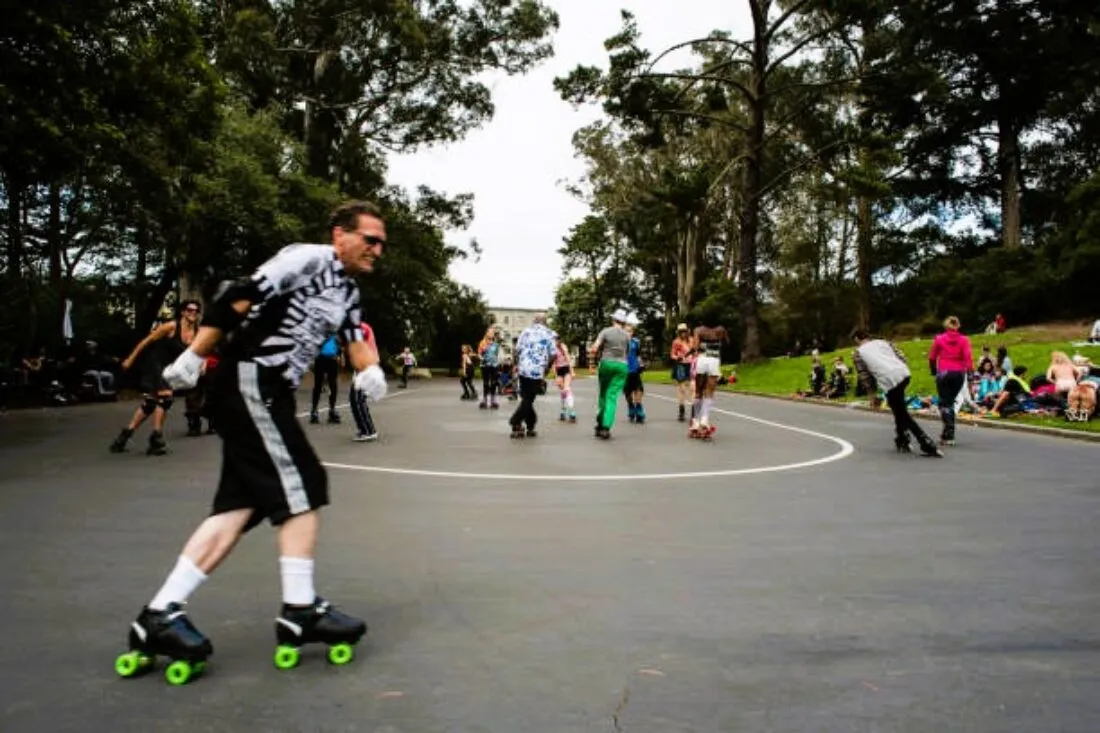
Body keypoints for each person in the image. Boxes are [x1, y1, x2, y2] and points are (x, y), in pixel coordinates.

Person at [114, 201, 389, 683]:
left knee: (236, 509)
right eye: (369, 239)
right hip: (250, 378)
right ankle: (300, 610)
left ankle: (157, 615)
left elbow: (353, 340)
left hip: (271, 389)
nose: (377, 249)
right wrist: (195, 356)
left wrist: (372, 371)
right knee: (302, 484)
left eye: (382, 242)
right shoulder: (305, 259)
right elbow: (237, 297)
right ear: (339, 234)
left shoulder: (348, 290)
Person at [110, 300, 202, 456]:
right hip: (156, 365)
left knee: (150, 403)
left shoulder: (197, 332)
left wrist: (201, 366)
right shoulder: (171, 327)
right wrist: (130, 359)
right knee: (165, 398)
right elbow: (146, 341)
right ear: (182, 312)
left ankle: (124, 436)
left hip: (171, 369)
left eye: (196, 311)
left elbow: (197, 353)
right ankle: (156, 438)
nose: (192, 313)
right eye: (189, 310)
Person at [851, 329, 942, 457]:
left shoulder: (858, 353)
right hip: (903, 374)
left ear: (856, 339)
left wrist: (872, 395)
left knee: (901, 412)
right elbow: (902, 357)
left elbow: (865, 376)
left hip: (889, 380)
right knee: (897, 407)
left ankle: (926, 443)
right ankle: (902, 438)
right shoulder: (884, 342)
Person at [508, 313, 556, 439]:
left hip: (523, 369)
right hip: (536, 371)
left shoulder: (526, 331)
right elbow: (553, 354)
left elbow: (516, 350)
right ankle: (516, 421)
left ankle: (530, 424)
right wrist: (547, 368)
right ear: (545, 322)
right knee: (529, 399)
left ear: (534, 321)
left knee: (527, 397)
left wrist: (516, 364)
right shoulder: (550, 334)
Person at [928, 315, 973, 446]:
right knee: (950, 402)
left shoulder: (939, 339)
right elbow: (968, 358)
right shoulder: (964, 340)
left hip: (944, 373)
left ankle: (948, 432)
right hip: (959, 374)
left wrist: (933, 372)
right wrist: (970, 375)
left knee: (944, 403)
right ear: (958, 326)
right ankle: (949, 434)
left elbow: (932, 357)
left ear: (945, 326)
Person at [590, 309, 632, 440]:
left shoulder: (605, 331)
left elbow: (594, 348)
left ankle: (599, 423)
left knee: (603, 394)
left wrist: (592, 362)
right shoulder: (626, 335)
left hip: (606, 364)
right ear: (623, 322)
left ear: (613, 320)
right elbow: (628, 352)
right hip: (621, 366)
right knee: (612, 396)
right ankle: (606, 427)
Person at [687, 323, 729, 439]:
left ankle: (695, 422)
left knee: (698, 392)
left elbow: (695, 347)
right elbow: (726, 343)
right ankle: (704, 421)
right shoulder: (720, 329)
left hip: (702, 359)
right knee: (709, 392)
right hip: (714, 360)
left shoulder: (699, 330)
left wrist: (689, 353)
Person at [348, 321, 381, 442]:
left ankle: (368, 431)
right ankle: (366, 429)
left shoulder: (361, 328)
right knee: (356, 398)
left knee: (357, 399)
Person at [309, 332, 342, 425]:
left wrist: (339, 354)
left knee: (333, 385)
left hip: (333, 359)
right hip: (320, 358)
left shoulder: (336, 329)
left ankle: (332, 410)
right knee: (318, 385)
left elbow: (339, 342)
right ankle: (314, 411)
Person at [623, 314, 646, 424]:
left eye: (630, 331)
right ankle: (630, 406)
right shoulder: (621, 343)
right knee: (627, 393)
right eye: (627, 331)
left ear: (633, 332)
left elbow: (638, 355)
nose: (629, 333)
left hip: (635, 369)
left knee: (639, 389)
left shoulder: (636, 342)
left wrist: (641, 364)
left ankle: (639, 407)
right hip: (624, 370)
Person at [669, 324, 694, 422]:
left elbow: (695, 352)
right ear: (679, 333)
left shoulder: (692, 340)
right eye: (681, 332)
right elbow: (672, 354)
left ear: (688, 331)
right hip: (680, 365)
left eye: (685, 331)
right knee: (681, 388)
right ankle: (681, 410)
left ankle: (693, 411)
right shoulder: (676, 342)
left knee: (692, 387)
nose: (683, 333)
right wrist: (677, 357)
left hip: (691, 365)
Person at [553, 336, 576, 423]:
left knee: (567, 390)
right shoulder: (552, 349)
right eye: (554, 340)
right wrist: (556, 376)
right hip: (559, 370)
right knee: (562, 392)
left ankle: (572, 412)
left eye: (557, 340)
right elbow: (553, 364)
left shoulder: (563, 347)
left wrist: (572, 371)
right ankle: (563, 410)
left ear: (559, 340)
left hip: (566, 369)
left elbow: (568, 359)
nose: (556, 342)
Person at [477, 327, 501, 410]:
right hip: (485, 365)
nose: (491, 334)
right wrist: (482, 358)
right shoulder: (482, 343)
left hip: (494, 365)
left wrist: (497, 362)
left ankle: (493, 400)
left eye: (492, 333)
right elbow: (479, 354)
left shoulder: (496, 344)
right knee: (486, 383)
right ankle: (484, 400)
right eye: (490, 332)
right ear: (486, 333)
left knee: (494, 383)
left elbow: (496, 355)